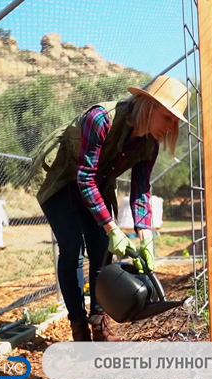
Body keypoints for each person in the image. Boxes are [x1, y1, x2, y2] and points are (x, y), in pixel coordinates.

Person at [34, 75, 188, 342]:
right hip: (60, 181)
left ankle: (98, 321)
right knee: (71, 249)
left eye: (175, 121)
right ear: (149, 106)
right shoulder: (101, 119)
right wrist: (113, 227)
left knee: (102, 250)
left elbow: (141, 189)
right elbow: (84, 177)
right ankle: (78, 327)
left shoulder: (148, 143)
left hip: (96, 184)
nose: (171, 126)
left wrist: (146, 238)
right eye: (168, 118)